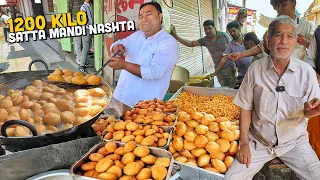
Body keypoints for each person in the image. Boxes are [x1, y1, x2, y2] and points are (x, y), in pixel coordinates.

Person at [225, 16, 320, 180]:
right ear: (268, 41)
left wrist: (310, 112)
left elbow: (309, 112)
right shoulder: (255, 69)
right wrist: (245, 144)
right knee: (231, 178)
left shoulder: (306, 72)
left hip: (294, 142)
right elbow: (246, 108)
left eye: (289, 36)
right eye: (278, 35)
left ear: (296, 41)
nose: (284, 41)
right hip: (259, 142)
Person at [108, 2, 179, 107]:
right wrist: (116, 47)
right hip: (120, 96)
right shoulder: (138, 35)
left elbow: (155, 72)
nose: (144, 19)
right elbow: (120, 43)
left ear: (160, 17)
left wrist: (124, 65)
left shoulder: (168, 43)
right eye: (141, 16)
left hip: (143, 106)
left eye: (148, 14)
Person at [228, 0, 313, 62]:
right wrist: (241, 54)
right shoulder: (274, 25)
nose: (280, 9)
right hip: (277, 70)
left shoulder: (306, 25)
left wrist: (306, 42)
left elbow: (315, 49)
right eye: (277, 6)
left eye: (283, 4)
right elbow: (261, 46)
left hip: (298, 73)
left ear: (294, 3)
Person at [170, 20, 234, 87]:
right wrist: (176, 36)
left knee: (233, 89)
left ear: (214, 28)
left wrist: (216, 71)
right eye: (205, 29)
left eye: (209, 28)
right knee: (224, 90)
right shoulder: (205, 40)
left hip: (230, 69)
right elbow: (191, 44)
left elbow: (229, 52)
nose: (207, 31)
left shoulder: (224, 36)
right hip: (219, 71)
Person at [214, 20, 252, 87]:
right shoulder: (231, 45)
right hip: (242, 74)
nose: (232, 33)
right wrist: (216, 71)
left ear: (239, 29)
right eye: (230, 32)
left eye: (234, 31)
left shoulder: (248, 39)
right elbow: (224, 57)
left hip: (253, 72)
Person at [78, 0, 93, 72]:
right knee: (86, 47)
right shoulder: (83, 7)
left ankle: (85, 62)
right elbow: (81, 20)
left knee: (89, 45)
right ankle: (82, 64)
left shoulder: (90, 5)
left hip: (90, 28)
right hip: (86, 29)